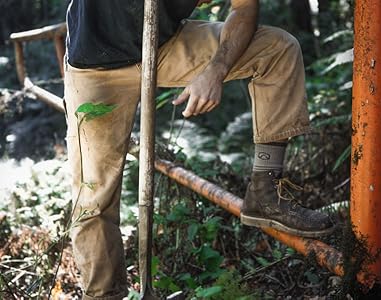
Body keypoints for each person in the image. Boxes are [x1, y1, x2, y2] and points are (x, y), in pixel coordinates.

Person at [63, 0, 334, 298]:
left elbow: (244, 9)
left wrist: (216, 70)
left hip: (162, 45)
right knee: (94, 196)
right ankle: (104, 295)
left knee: (277, 48)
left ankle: (265, 192)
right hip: (95, 62)